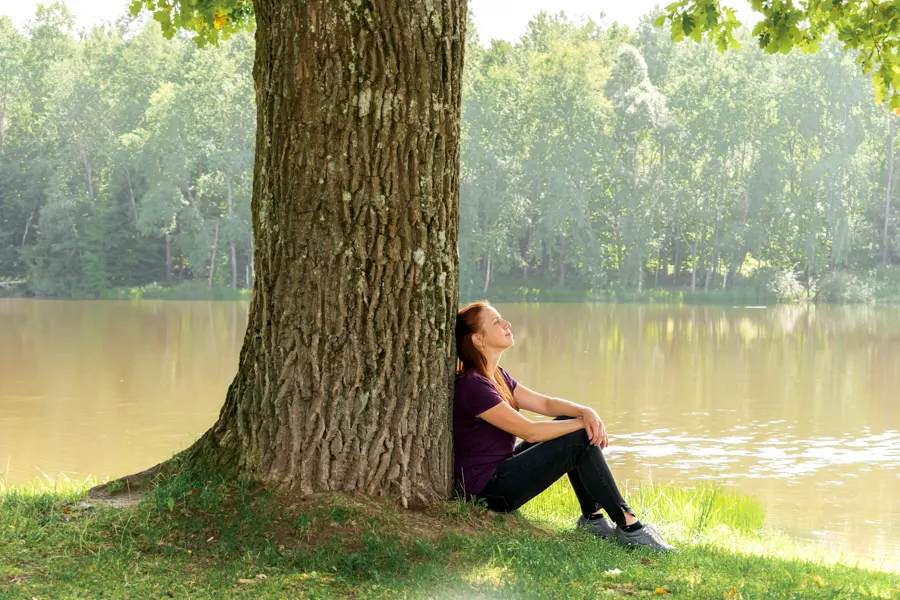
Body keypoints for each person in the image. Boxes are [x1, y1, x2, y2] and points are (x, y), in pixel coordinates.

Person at [454, 300, 674, 552]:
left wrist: (585, 412)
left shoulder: (496, 376)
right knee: (577, 435)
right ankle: (629, 526)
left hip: (498, 472)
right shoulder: (473, 386)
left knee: (571, 428)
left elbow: (545, 404)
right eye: (496, 322)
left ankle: (593, 519)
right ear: (478, 340)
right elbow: (530, 431)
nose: (507, 324)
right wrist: (581, 424)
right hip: (486, 490)